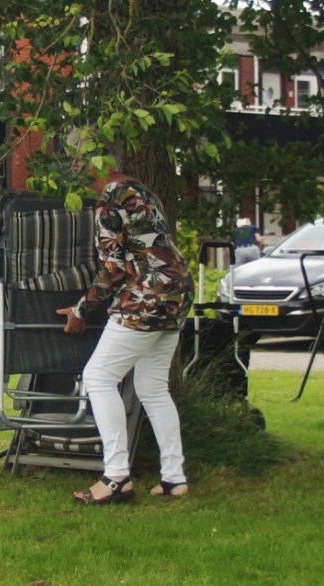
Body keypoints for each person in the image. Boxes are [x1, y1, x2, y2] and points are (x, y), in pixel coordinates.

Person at [56, 131, 194, 504]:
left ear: (88, 160)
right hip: (177, 289)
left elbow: (114, 268)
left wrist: (81, 309)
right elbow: (147, 248)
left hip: (149, 294)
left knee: (98, 376)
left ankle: (116, 476)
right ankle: (173, 478)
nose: (74, 167)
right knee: (152, 387)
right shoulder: (138, 191)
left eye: (74, 159)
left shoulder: (108, 202)